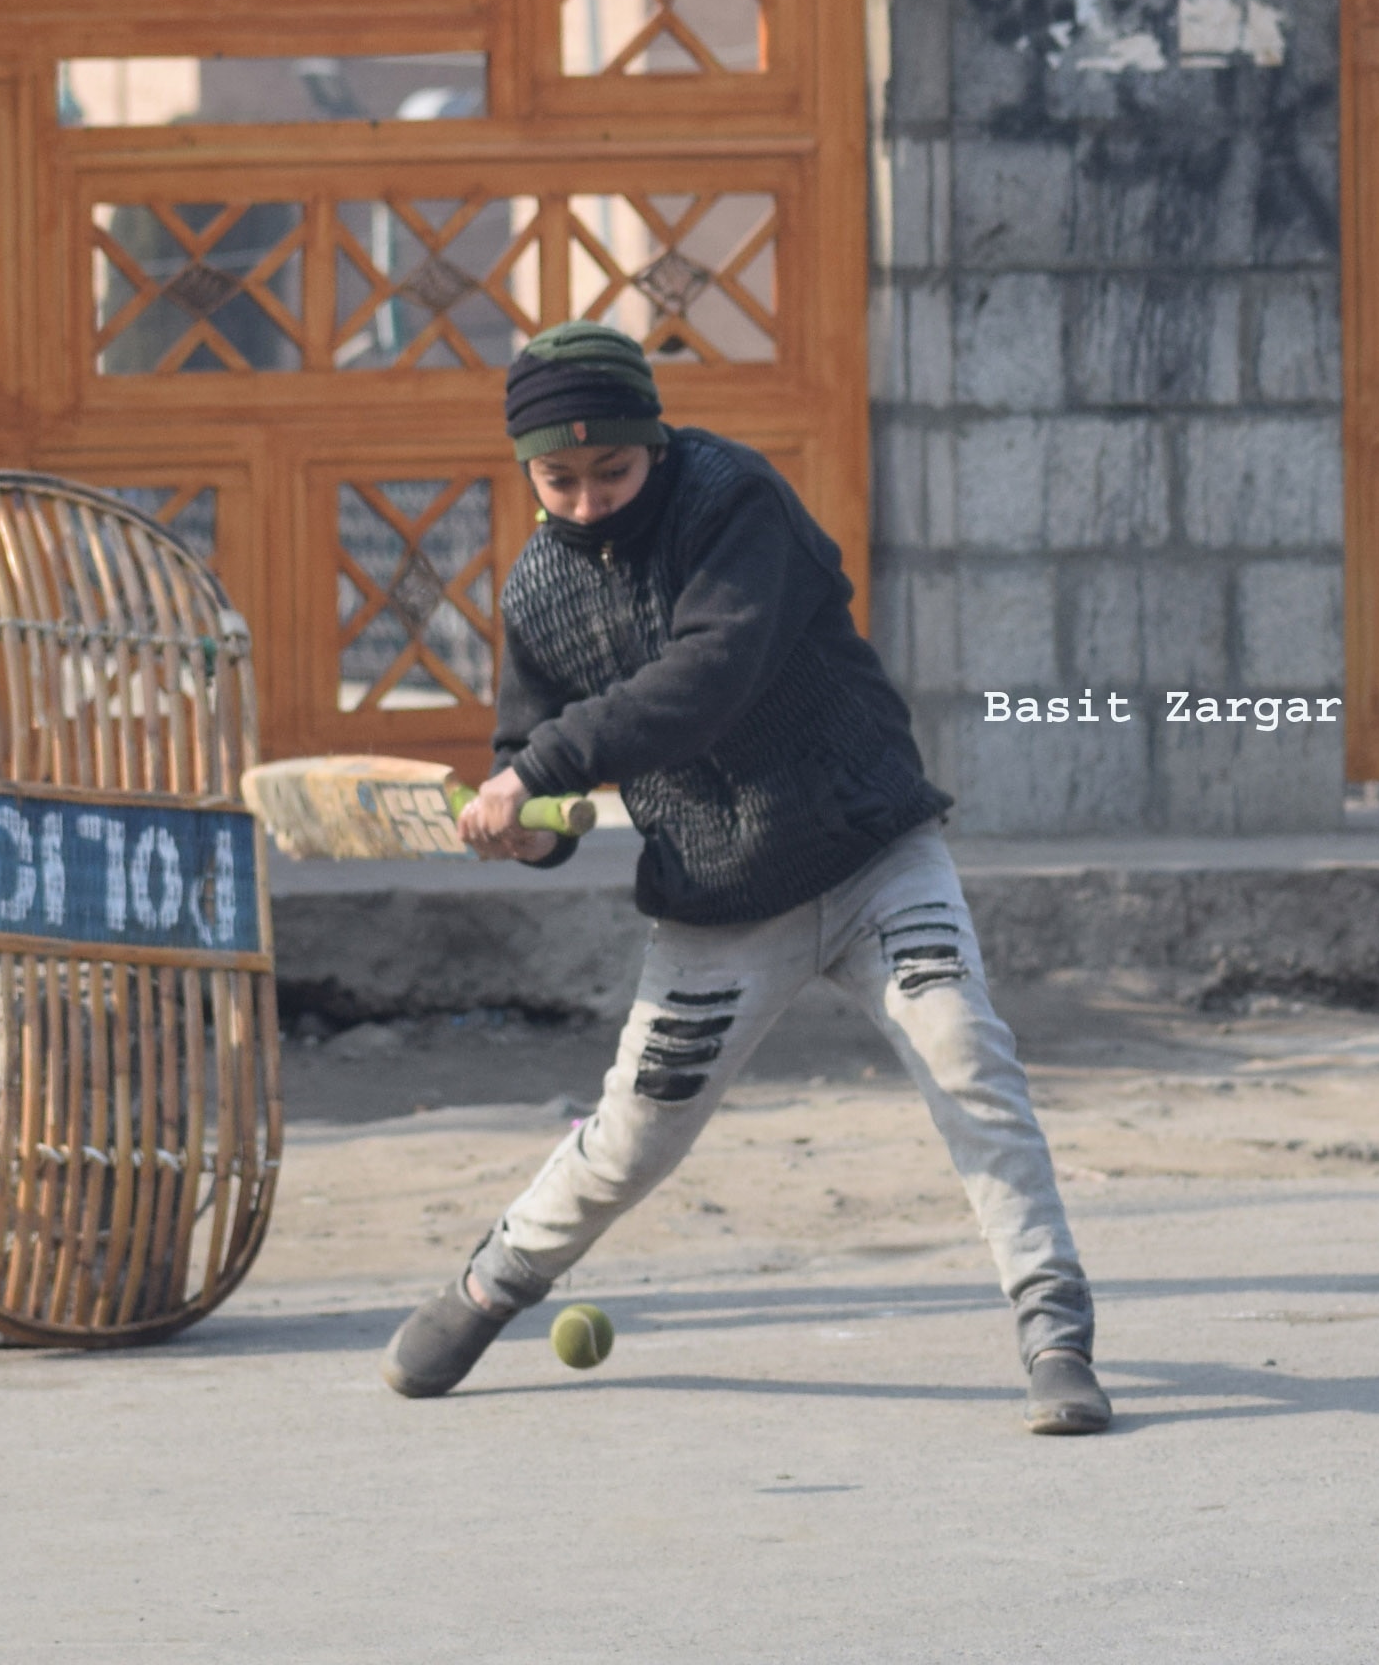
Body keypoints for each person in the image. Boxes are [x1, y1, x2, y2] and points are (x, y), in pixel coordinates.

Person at [378, 323, 1110, 1433]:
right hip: (717, 902)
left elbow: (705, 679)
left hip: (871, 851)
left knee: (966, 1052)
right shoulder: (535, 590)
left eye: (611, 472)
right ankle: (492, 1283)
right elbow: (531, 752)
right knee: (636, 1130)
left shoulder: (733, 499)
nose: (587, 501)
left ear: (654, 445)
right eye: (558, 479)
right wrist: (532, 827)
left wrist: (540, 766)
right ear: (527, 469)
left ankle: (1055, 1328)